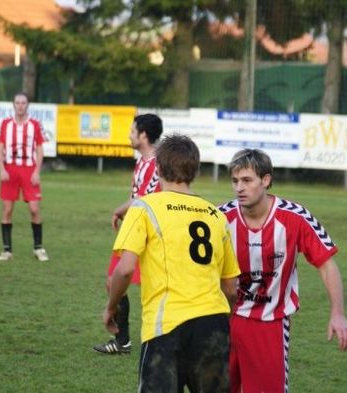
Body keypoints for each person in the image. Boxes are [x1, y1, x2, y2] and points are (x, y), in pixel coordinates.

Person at [102, 134, 241, 392]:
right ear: (195, 171)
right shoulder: (215, 214)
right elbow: (231, 287)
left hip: (165, 327)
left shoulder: (144, 207)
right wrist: (224, 319)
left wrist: (111, 308)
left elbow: (125, 269)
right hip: (212, 326)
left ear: (158, 168)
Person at [219, 149, 347, 393]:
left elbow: (326, 264)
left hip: (269, 324)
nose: (239, 188)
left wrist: (338, 313)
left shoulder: (295, 217)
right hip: (223, 321)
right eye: (235, 181)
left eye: (247, 180)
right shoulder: (219, 218)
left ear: (266, 180)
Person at [94, 113, 163, 354]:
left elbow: (143, 200)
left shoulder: (155, 163)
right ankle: (123, 341)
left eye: (133, 131)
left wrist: (118, 209)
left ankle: (131, 340)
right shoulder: (143, 161)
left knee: (123, 280)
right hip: (134, 227)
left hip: (145, 232)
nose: (129, 135)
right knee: (114, 281)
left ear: (143, 135)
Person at [0, 92, 49, 262]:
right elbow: (0, 149)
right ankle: (7, 251)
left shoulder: (35, 125)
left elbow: (40, 149)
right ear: (13, 105)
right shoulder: (5, 124)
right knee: (7, 209)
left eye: (23, 103)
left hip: (29, 169)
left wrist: (36, 171)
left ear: (27, 105)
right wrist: (2, 169)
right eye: (17, 102)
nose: (20, 105)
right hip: (10, 169)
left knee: (34, 208)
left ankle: (38, 248)